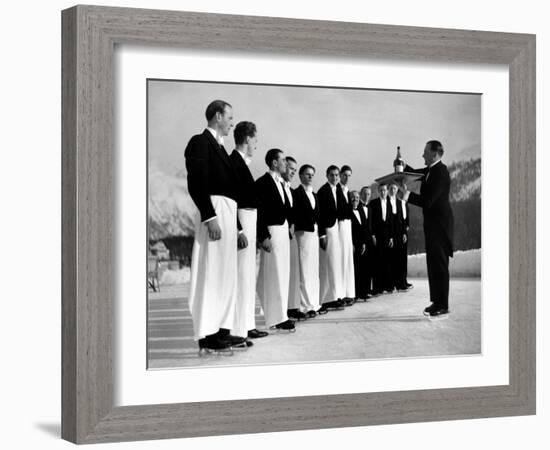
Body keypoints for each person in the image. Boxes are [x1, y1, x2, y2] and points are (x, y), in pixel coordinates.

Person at [185, 99, 245, 353]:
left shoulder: (220, 148)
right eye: (230, 117)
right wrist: (210, 218)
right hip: (216, 212)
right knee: (211, 274)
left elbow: (233, 191)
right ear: (218, 116)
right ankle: (207, 335)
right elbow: (196, 182)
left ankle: (222, 330)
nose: (232, 122)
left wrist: (239, 227)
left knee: (225, 275)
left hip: (229, 214)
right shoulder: (200, 142)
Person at [400, 140, 454, 318]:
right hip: (432, 227)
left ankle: (443, 305)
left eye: (425, 152)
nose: (422, 155)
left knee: (439, 265)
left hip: (440, 227)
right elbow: (414, 173)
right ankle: (436, 301)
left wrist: (406, 195)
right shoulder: (430, 170)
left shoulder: (440, 173)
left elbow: (428, 201)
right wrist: (402, 165)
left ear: (434, 154)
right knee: (433, 265)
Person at [229, 121, 268, 344]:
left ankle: (247, 324)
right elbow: (232, 199)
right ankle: (237, 328)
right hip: (243, 220)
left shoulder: (242, 163)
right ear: (246, 139)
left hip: (250, 221)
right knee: (241, 276)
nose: (256, 144)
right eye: (255, 139)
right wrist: (239, 229)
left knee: (247, 277)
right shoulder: (234, 162)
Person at [255, 149, 296, 332]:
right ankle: (275, 317)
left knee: (282, 273)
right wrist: (263, 236)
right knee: (274, 274)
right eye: (282, 160)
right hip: (272, 232)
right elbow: (260, 212)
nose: (285, 164)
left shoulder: (281, 183)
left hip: (283, 233)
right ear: (273, 163)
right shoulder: (263, 183)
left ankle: (281, 314)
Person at [293, 164, 324, 318]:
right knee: (304, 270)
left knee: (313, 270)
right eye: (307, 174)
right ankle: (304, 306)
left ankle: (314, 304)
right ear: (300, 176)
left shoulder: (315, 195)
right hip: (302, 234)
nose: (310, 177)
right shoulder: (296, 193)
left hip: (314, 234)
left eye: (312, 174)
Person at [282, 156, 307, 321]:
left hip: (291, 234)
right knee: (283, 273)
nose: (293, 172)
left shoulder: (291, 190)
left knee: (293, 272)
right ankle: (283, 309)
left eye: (295, 170)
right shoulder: (279, 186)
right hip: (280, 232)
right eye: (291, 168)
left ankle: (292, 307)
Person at [317, 166, 345, 312]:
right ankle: (327, 299)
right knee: (328, 265)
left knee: (335, 264)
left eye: (336, 175)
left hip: (336, 230)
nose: (334, 178)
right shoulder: (323, 191)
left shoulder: (338, 189)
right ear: (327, 176)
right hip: (327, 230)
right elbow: (319, 215)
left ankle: (335, 296)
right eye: (332, 175)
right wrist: (321, 235)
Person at [370, 183, 395, 295]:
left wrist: (391, 237)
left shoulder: (389, 203)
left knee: (387, 261)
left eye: (385, 190)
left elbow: (391, 222)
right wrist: (373, 235)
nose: (383, 192)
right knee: (377, 262)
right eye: (381, 190)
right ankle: (377, 288)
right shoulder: (373, 203)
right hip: (377, 236)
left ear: (387, 191)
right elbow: (371, 221)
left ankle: (387, 286)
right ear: (378, 191)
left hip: (386, 236)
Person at [388, 183, 412, 292]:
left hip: (403, 233)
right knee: (395, 259)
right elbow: (396, 220)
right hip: (395, 233)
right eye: (392, 188)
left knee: (403, 258)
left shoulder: (403, 203)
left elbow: (405, 219)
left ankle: (403, 281)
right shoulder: (393, 203)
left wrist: (406, 229)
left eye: (395, 189)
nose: (394, 190)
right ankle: (396, 282)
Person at [338, 165, 356, 305]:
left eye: (349, 175)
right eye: (345, 175)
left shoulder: (347, 191)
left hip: (348, 227)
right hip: (340, 227)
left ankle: (348, 292)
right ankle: (341, 294)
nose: (347, 178)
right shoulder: (337, 190)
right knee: (341, 261)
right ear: (340, 175)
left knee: (348, 260)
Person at [350, 190, 370, 301]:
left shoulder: (361, 210)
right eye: (353, 197)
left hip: (362, 244)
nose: (355, 199)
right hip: (353, 244)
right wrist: (351, 244)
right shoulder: (348, 211)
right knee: (355, 270)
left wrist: (364, 243)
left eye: (357, 197)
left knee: (363, 269)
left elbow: (364, 228)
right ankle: (355, 293)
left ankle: (363, 292)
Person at [359, 186, 375, 297]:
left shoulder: (369, 208)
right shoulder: (357, 207)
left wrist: (373, 236)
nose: (366, 196)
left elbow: (370, 225)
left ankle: (367, 289)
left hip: (369, 239)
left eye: (369, 194)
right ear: (361, 194)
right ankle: (361, 291)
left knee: (369, 265)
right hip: (361, 240)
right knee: (361, 266)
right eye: (365, 193)